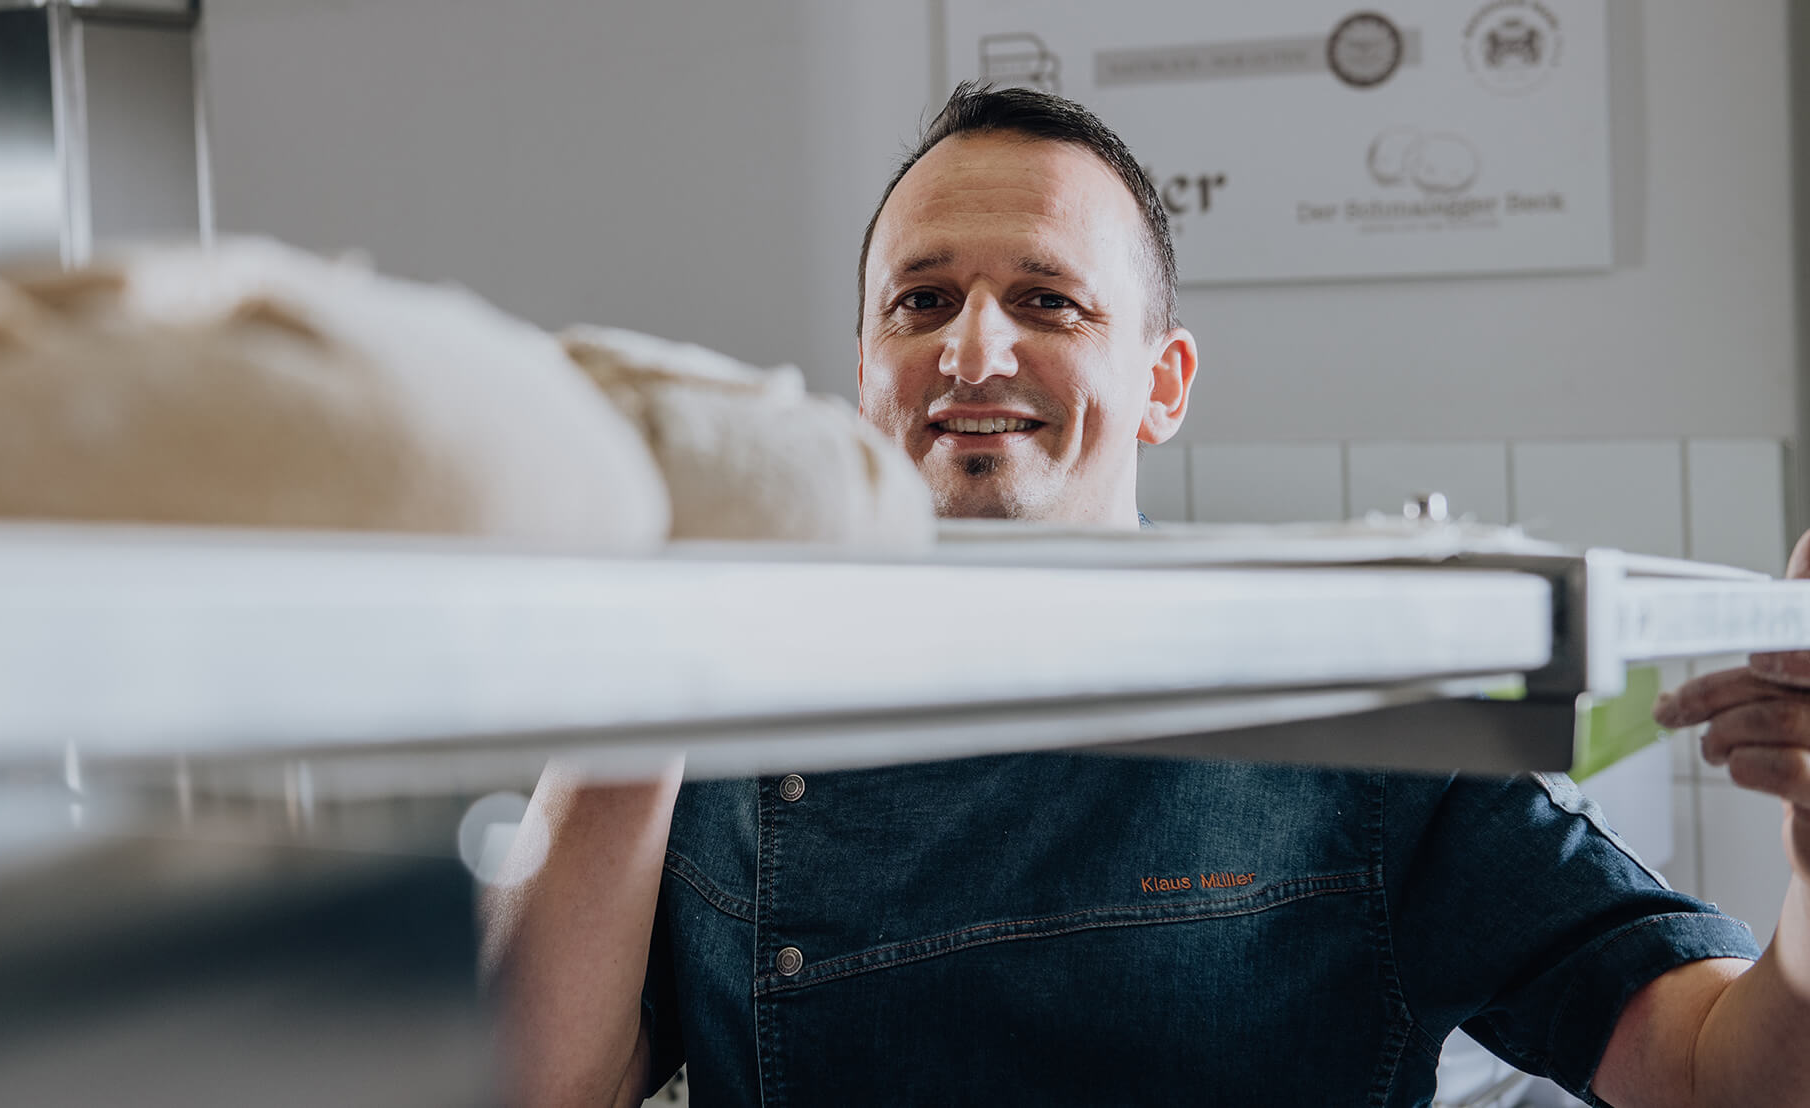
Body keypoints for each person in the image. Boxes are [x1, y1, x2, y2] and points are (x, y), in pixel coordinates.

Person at [481, 85, 1810, 1107]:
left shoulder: (1369, 707)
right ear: (867, 366)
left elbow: (1718, 1071)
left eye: (1049, 303)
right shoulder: (722, 694)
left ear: (1166, 383)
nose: (973, 348)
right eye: (922, 301)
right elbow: (538, 1085)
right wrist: (639, 651)